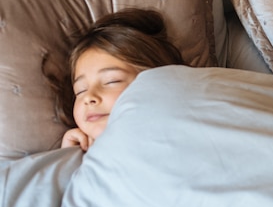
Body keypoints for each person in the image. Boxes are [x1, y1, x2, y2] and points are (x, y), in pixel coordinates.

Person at [44, 8, 185, 151]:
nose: (89, 97)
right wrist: (68, 158)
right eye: (80, 91)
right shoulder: (76, 157)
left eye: (112, 81)